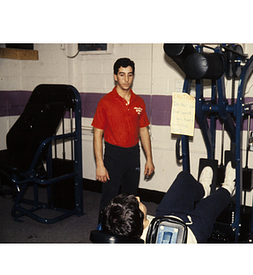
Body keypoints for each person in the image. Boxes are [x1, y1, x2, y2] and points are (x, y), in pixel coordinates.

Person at [101, 161, 235, 243]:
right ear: (140, 220)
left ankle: (203, 190)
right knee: (210, 205)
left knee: (183, 179)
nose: (138, 198)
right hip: (191, 232)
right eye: (137, 204)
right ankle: (229, 188)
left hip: (163, 218)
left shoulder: (130, 227)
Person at [92, 58, 155, 216]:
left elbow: (143, 131)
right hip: (113, 155)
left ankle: (127, 233)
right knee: (109, 198)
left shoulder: (139, 102)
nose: (126, 80)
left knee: (130, 199)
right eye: (122, 75)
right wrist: (100, 164)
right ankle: (103, 232)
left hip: (133, 154)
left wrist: (149, 159)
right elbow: (97, 134)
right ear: (115, 76)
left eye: (130, 75)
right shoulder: (105, 102)